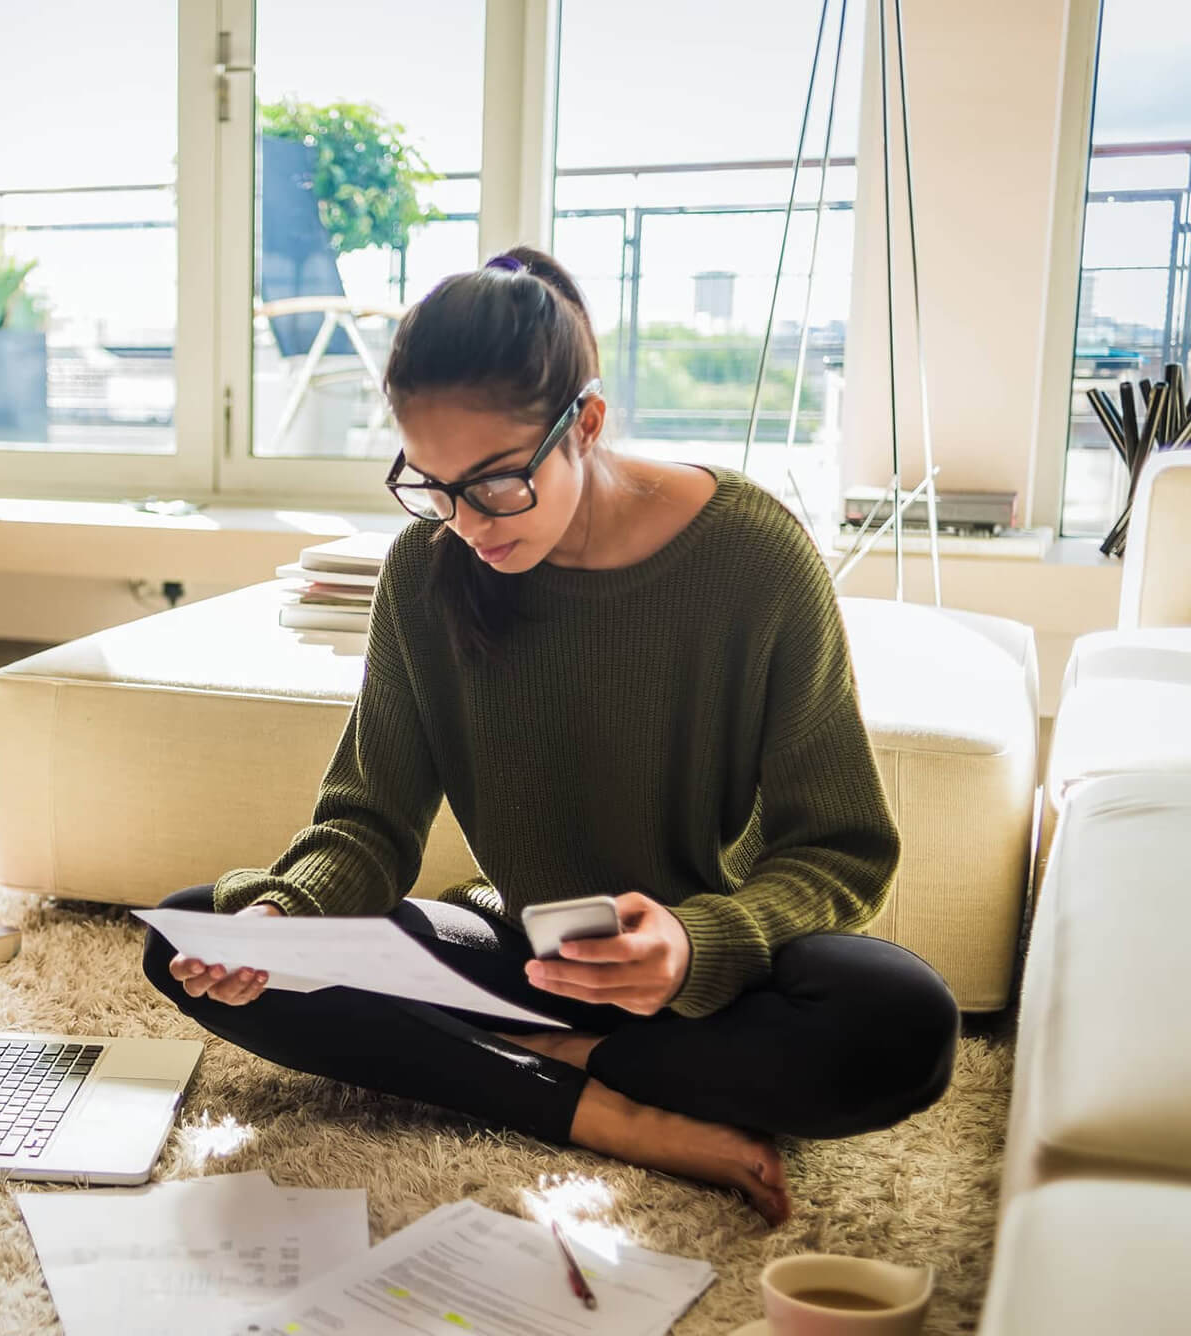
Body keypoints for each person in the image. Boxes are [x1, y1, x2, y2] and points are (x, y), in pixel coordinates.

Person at [141, 246, 959, 1226]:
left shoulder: (754, 557)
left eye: (492, 482)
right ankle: (600, 1108)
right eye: (432, 485)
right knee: (195, 927)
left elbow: (838, 848)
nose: (465, 522)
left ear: (587, 423)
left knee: (897, 1020)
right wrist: (282, 918)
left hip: (698, 982)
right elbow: (367, 822)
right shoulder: (423, 573)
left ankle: (538, 1057)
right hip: (519, 951)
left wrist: (696, 943)